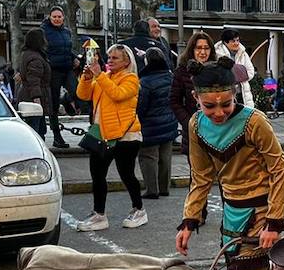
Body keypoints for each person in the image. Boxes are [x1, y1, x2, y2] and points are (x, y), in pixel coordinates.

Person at [176, 57, 284, 270]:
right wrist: (189, 220)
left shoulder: (254, 122)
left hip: (260, 212)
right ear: (195, 98)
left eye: (226, 104)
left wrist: (274, 221)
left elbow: (280, 169)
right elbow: (200, 178)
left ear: (235, 94)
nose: (219, 113)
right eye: (209, 106)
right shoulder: (196, 124)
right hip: (231, 213)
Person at [74, 44, 146, 232]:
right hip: (102, 133)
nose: (110, 61)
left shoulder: (131, 79)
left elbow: (117, 94)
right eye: (109, 57)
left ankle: (139, 209)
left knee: (126, 174)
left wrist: (99, 76)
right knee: (97, 175)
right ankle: (99, 214)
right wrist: (86, 78)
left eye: (115, 58)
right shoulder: (104, 77)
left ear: (126, 61)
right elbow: (83, 94)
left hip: (126, 135)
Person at [136, 48, 178, 200]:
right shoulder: (171, 77)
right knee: (166, 157)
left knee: (148, 157)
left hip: (150, 125)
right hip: (169, 122)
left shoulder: (145, 82)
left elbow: (141, 106)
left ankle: (152, 189)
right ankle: (164, 187)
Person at [170, 30, 215, 152]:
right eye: (198, 48)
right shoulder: (182, 71)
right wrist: (189, 122)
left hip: (215, 129)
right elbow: (174, 101)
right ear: (192, 50)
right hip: (193, 130)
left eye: (206, 48)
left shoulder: (216, 70)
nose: (203, 52)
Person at [41, 7, 78, 145]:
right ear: (50, 18)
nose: (57, 19)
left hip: (67, 68)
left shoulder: (66, 32)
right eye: (54, 17)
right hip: (53, 70)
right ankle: (57, 137)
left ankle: (66, 99)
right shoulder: (43, 31)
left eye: (59, 17)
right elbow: (41, 49)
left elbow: (67, 49)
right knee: (53, 105)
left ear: (63, 18)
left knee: (77, 92)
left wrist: (74, 57)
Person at [15, 29, 52, 137]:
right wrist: (37, 99)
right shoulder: (35, 58)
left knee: (36, 129)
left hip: (26, 97)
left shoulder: (27, 54)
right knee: (37, 131)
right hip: (33, 100)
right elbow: (34, 81)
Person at [214, 27, 257, 108]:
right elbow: (218, 74)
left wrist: (235, 72)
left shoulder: (243, 52)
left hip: (243, 93)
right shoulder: (217, 54)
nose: (236, 43)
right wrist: (240, 71)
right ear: (225, 42)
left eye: (238, 40)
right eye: (233, 41)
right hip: (224, 94)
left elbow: (250, 71)